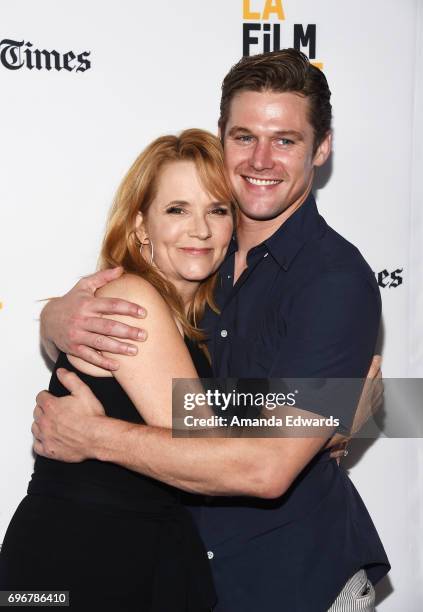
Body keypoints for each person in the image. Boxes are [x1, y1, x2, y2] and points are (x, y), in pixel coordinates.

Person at [31, 50, 390, 611]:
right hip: (153, 572)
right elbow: (193, 396)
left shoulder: (332, 281)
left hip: (293, 579)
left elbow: (266, 467)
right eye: (244, 137)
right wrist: (54, 322)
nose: (262, 159)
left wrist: (95, 437)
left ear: (321, 149)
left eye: (286, 140)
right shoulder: (199, 264)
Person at [0, 129, 237, 611]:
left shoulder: (199, 321)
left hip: (140, 556)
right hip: (74, 563)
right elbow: (207, 447)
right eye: (177, 209)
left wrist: (330, 412)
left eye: (218, 209)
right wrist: (323, 412)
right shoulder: (132, 298)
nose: (201, 229)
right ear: (140, 226)